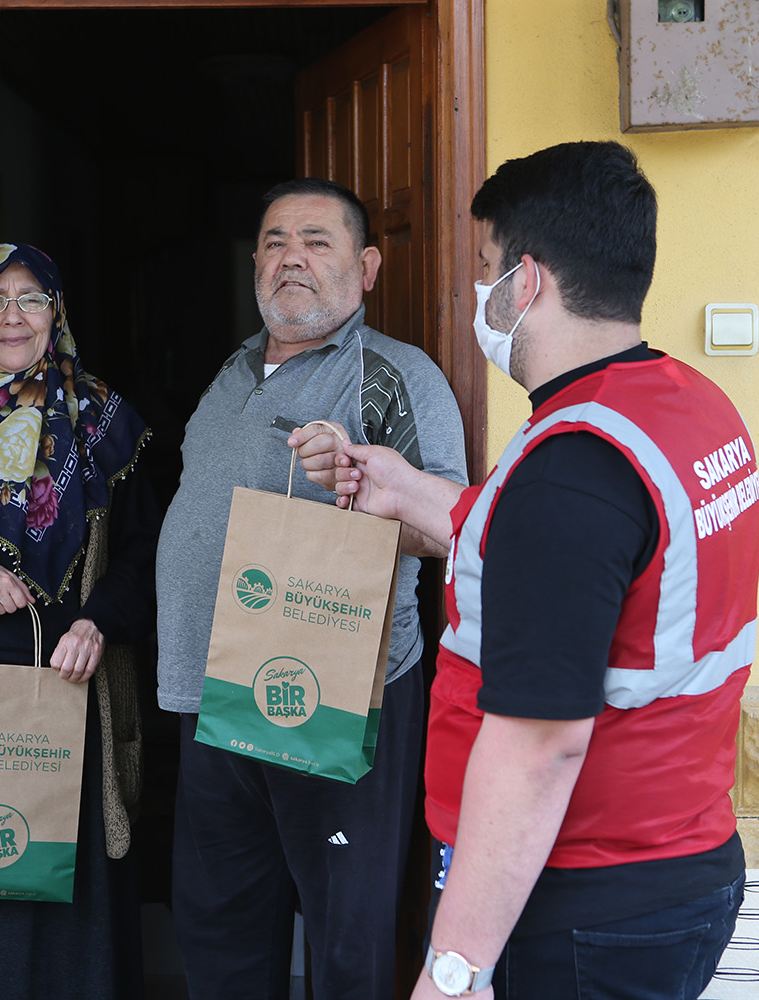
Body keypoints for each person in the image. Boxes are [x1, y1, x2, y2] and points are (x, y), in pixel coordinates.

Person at [327, 142, 759, 999]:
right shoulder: (682, 405)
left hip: (577, 903)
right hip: (676, 864)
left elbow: (538, 746)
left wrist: (454, 970)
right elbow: (578, 573)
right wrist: (412, 490)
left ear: (526, 284)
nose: (476, 293)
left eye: (485, 269)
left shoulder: (574, 468)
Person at [155, 178, 467, 1000]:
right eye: (273, 240)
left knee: (346, 939)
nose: (290, 255)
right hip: (215, 697)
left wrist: (360, 488)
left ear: (365, 267)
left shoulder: (395, 376)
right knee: (220, 930)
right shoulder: (230, 373)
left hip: (336, 697)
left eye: (317, 241)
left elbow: (449, 530)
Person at [0, 242, 158, 1000]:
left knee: (65, 886)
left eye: (31, 298)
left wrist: (101, 621)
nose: (12, 317)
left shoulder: (102, 421)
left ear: (57, 311)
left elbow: (149, 549)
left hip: (69, 692)